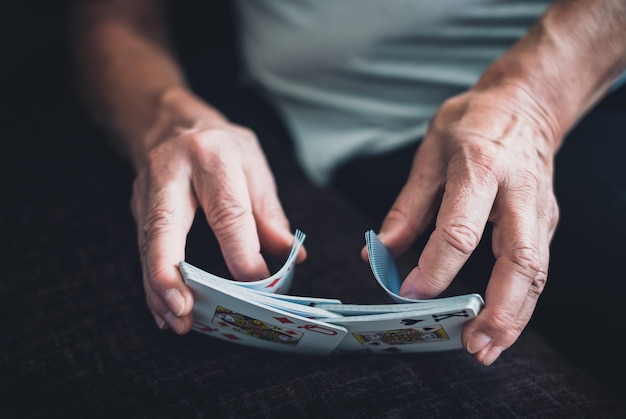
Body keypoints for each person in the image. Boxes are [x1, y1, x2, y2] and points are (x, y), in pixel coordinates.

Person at [68, 0, 626, 374]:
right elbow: (110, 18)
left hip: (580, 99)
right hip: (338, 137)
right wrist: (162, 116)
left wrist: (534, 100)